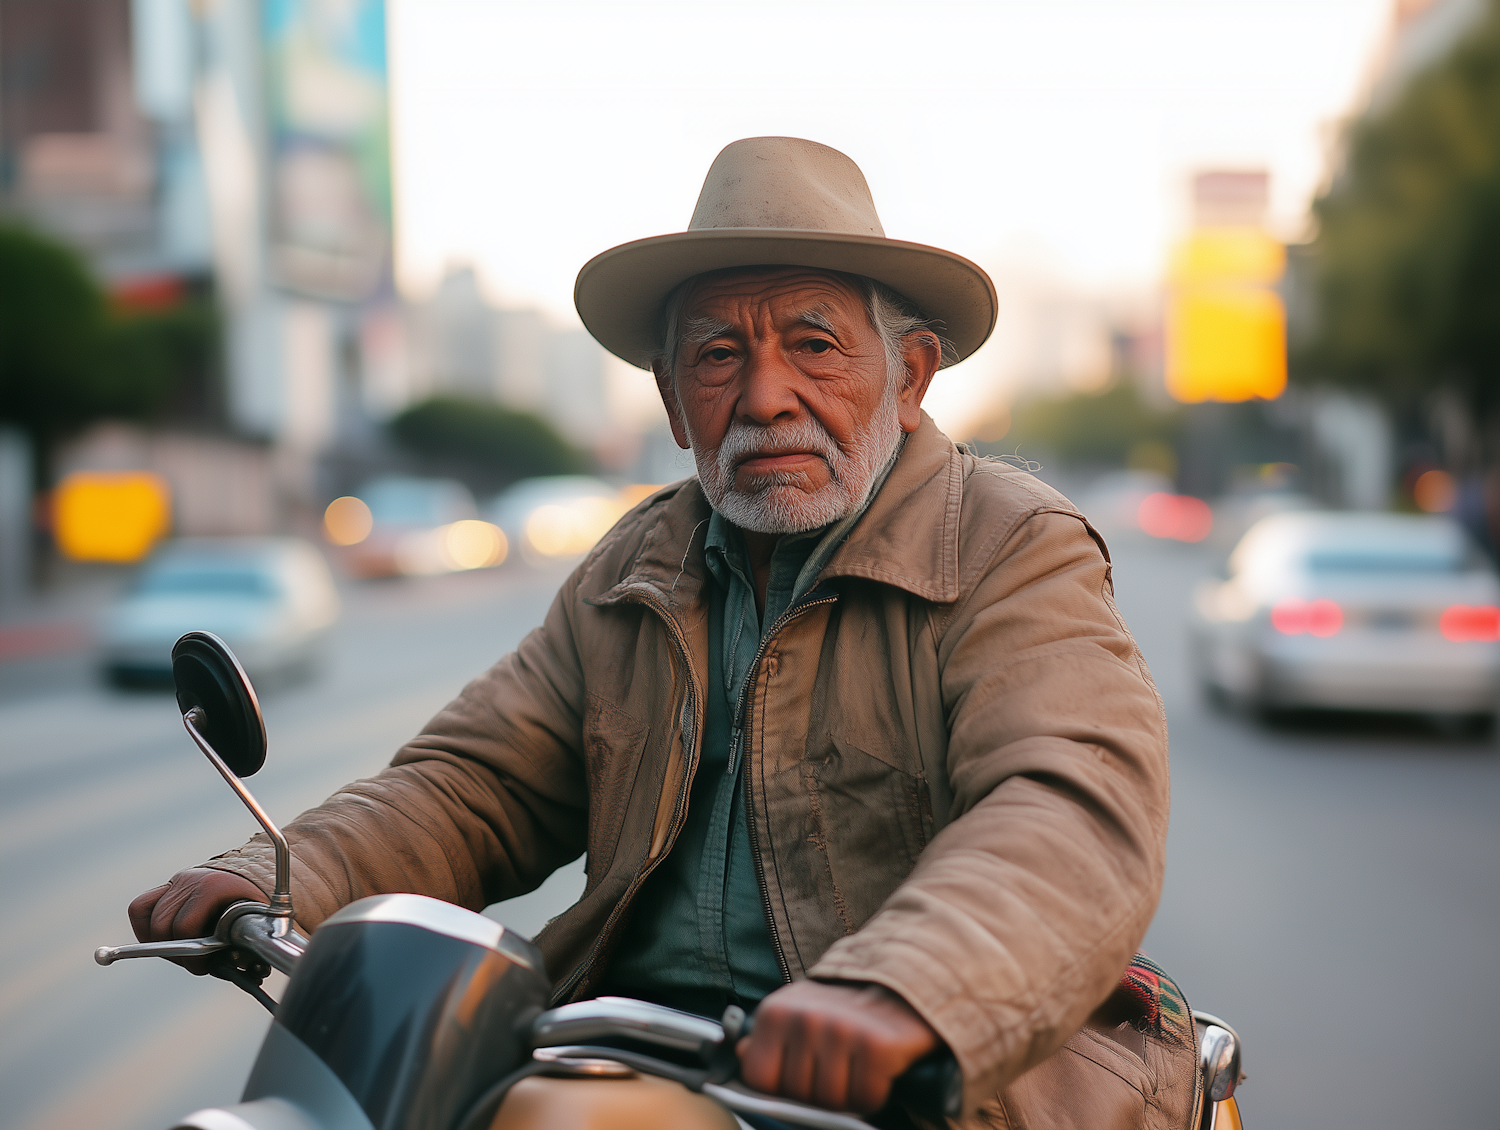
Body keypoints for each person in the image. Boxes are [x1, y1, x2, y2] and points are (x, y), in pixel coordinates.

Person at [131, 138, 1193, 1128]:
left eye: (813, 345)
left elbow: (1067, 798)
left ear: (909, 376)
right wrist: (280, 873)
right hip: (644, 1059)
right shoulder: (634, 569)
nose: (767, 394)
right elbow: (476, 782)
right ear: (675, 401)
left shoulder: (1012, 545)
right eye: (720, 355)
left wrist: (908, 981)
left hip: (922, 1077)